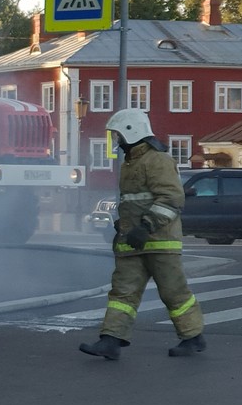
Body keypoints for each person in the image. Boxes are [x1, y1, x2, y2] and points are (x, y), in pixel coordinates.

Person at [79, 109, 206, 361]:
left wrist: (146, 226)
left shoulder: (157, 160)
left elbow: (171, 198)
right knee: (122, 294)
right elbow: (132, 201)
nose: (116, 141)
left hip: (159, 241)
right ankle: (110, 340)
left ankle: (193, 337)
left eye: (117, 135)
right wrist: (122, 226)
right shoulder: (131, 162)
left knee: (174, 292)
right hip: (132, 242)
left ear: (131, 131)